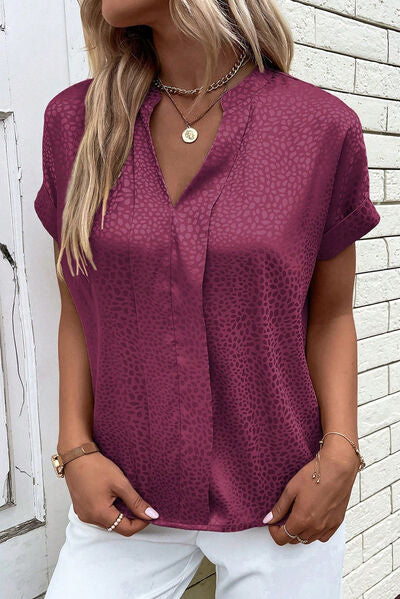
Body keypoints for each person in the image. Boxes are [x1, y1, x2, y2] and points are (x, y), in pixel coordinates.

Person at [33, 0, 380, 597]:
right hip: (125, 492)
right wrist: (75, 448)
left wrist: (341, 451)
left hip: (282, 495)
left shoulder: (320, 126)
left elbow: (330, 315)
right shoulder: (75, 122)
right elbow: (79, 307)